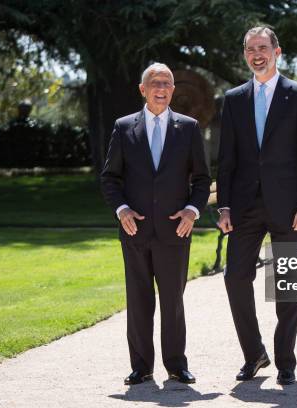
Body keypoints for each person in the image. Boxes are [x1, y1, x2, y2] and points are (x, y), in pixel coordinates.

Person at [217, 27, 297, 385]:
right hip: (245, 207)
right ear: (245, 54)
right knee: (235, 278)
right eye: (250, 49)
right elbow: (227, 158)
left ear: (277, 52)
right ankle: (254, 354)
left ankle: (285, 361)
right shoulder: (233, 99)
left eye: (263, 47)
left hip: (291, 207)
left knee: (289, 285)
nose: (256, 54)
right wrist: (225, 207)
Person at [100, 62, 211, 385]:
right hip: (134, 231)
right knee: (138, 301)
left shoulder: (189, 128)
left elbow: (202, 179)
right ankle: (141, 366)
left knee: (173, 301)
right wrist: (122, 210)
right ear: (143, 89)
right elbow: (110, 178)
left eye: (166, 83)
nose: (161, 88)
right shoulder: (123, 127)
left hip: (176, 231)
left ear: (173, 90)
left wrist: (192, 210)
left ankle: (176, 365)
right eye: (155, 83)